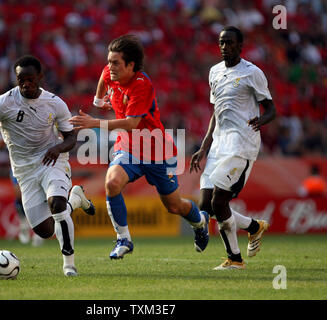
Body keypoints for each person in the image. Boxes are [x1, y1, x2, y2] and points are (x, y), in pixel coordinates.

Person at [69, 34, 209, 259]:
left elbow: (131, 123)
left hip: (158, 152)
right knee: (112, 183)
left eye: (116, 63)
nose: (110, 67)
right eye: (109, 61)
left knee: (173, 206)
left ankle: (200, 221)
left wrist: (94, 122)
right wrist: (98, 101)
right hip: (128, 148)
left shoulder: (142, 85)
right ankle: (123, 239)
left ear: (131, 65)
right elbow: (103, 79)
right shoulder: (110, 72)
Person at [0, 55, 95, 276]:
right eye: (21, 79)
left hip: (52, 161)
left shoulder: (55, 103)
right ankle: (75, 198)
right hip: (24, 171)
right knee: (45, 230)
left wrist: (57, 148)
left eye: (30, 79)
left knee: (56, 205)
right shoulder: (3, 103)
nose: (25, 83)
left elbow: (71, 138)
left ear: (40, 77)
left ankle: (69, 264)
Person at [190, 26, 276, 270]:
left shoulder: (252, 73)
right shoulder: (214, 72)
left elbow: (271, 108)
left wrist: (262, 120)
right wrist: (204, 146)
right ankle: (254, 227)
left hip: (241, 144)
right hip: (219, 143)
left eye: (229, 43)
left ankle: (235, 260)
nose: (224, 47)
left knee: (219, 203)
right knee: (205, 206)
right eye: (221, 43)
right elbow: (215, 113)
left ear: (240, 46)